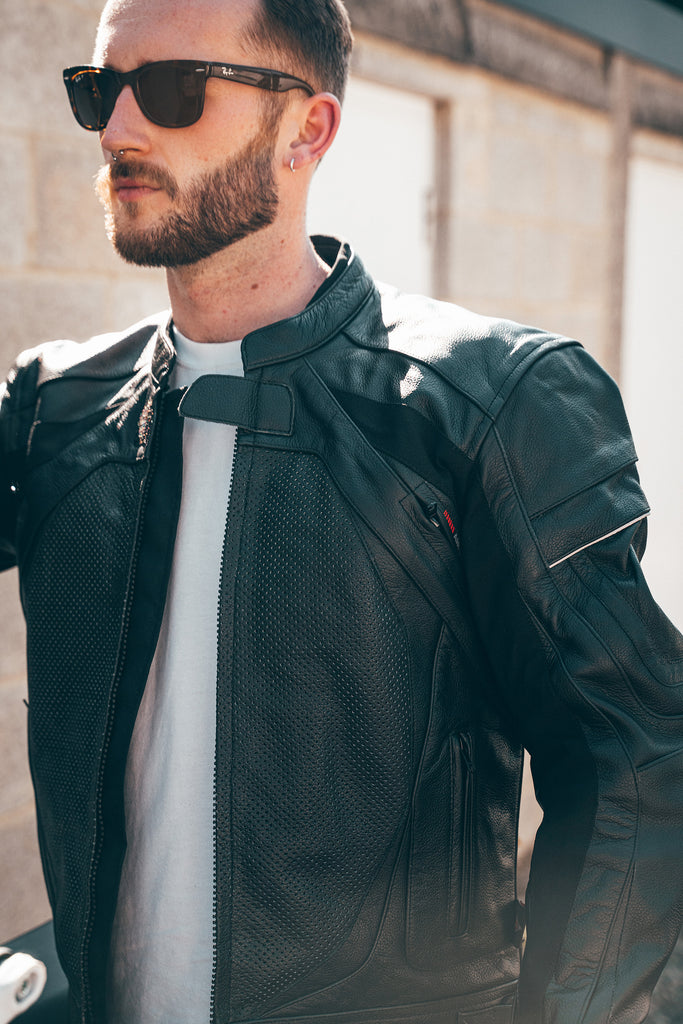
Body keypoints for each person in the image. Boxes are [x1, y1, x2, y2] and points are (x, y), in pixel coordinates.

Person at [1, 0, 682, 1021]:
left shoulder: (487, 405)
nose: (119, 129)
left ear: (306, 130)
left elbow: (636, 769)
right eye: (100, 90)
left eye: (174, 90)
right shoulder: (56, 405)